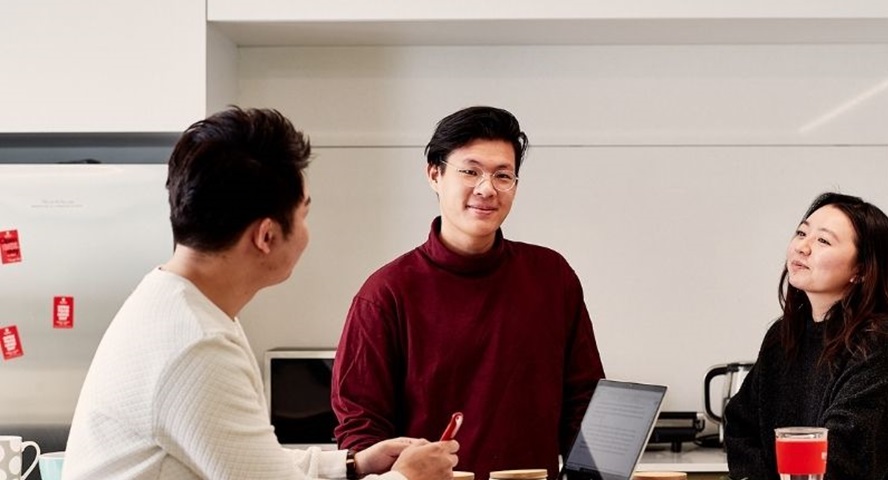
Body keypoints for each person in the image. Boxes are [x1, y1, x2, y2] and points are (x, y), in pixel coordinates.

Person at [63, 107, 459, 480]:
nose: (307, 232)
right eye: (304, 215)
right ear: (266, 236)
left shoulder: (179, 305)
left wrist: (354, 463)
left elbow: (244, 455)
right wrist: (407, 476)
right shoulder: (196, 345)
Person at [331, 105, 605, 480]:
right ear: (434, 174)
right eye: (470, 171)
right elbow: (360, 431)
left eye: (502, 175)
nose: (487, 188)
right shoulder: (385, 294)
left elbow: (584, 403)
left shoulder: (552, 276)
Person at [724, 192, 888, 479]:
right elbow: (739, 425)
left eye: (823, 240)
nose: (802, 247)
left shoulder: (881, 340)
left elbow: (844, 456)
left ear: (861, 270)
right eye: (801, 233)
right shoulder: (782, 335)